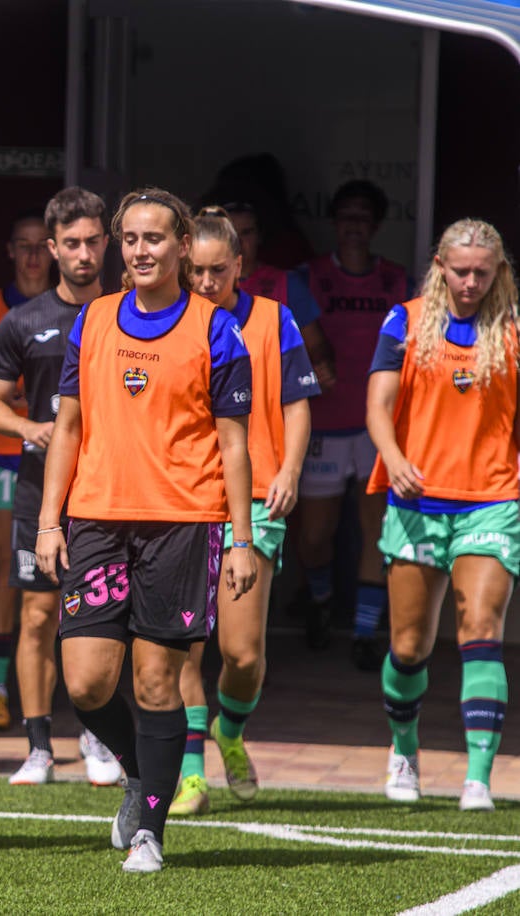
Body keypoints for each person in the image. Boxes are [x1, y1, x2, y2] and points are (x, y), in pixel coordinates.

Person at [35, 187, 256, 874]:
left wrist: (241, 538)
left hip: (182, 525)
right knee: (86, 683)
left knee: (160, 682)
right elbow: (67, 427)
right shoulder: (94, 320)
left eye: (154, 238)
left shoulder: (216, 328)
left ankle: (150, 832)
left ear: (183, 246)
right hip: (97, 518)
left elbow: (235, 443)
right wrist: (49, 520)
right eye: (129, 239)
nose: (139, 250)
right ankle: (140, 775)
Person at [169, 207, 320, 816]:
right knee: (184, 644)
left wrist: (289, 470)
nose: (205, 283)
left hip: (255, 500)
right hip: (183, 496)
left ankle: (229, 730)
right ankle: (191, 773)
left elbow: (298, 403)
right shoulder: (170, 322)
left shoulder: (273, 319)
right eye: (196, 272)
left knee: (242, 652)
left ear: (240, 264)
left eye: (216, 271)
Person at [365, 219, 517, 812]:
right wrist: (394, 457)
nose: (471, 281)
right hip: (416, 501)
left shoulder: (512, 330)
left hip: (492, 499)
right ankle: (405, 749)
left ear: (500, 272)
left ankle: (478, 776)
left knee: (481, 627)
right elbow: (377, 404)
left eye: (483, 271)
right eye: (461, 270)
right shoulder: (404, 320)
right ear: (440, 266)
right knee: (409, 645)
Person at [0, 187, 121, 787]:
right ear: (52, 249)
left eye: (93, 241)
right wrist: (30, 426)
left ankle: (97, 736)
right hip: (42, 492)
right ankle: (38, 747)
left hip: (111, 491)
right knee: (36, 617)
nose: (82, 253)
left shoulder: (126, 313)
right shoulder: (23, 321)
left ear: (105, 244)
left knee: (103, 620)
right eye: (71, 243)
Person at [297, 180, 410, 666]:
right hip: (323, 423)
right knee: (315, 535)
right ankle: (320, 603)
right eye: (346, 217)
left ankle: (364, 631)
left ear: (377, 225)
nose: (354, 227)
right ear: (335, 223)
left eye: (364, 218)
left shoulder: (397, 281)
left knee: (375, 530)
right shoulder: (309, 276)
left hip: (376, 425)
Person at [0, 210, 53, 730]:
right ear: (10, 251)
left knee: (53, 574)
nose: (33, 255)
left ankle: (51, 691)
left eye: (41, 244)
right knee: (4, 566)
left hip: (58, 457)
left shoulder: (75, 309)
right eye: (23, 245)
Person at [220, 199, 334, 387]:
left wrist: (323, 365)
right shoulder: (202, 284)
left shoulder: (286, 283)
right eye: (230, 233)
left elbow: (316, 345)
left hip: (273, 401)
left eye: (247, 232)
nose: (238, 242)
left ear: (260, 236)